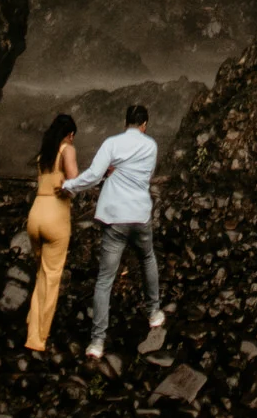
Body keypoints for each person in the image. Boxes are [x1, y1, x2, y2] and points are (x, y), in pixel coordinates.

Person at [62, 99, 164, 360]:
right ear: (144, 125)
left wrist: (70, 186)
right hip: (140, 215)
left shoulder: (112, 143)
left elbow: (95, 175)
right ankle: (154, 313)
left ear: (126, 123)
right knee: (147, 258)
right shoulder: (151, 145)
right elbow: (146, 175)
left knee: (105, 279)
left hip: (116, 218)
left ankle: (97, 342)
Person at [25, 112, 78, 353]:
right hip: (55, 216)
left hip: (35, 214)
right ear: (69, 134)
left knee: (40, 274)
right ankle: (37, 338)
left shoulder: (43, 154)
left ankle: (31, 320)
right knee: (51, 277)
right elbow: (74, 180)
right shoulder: (66, 148)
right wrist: (67, 191)